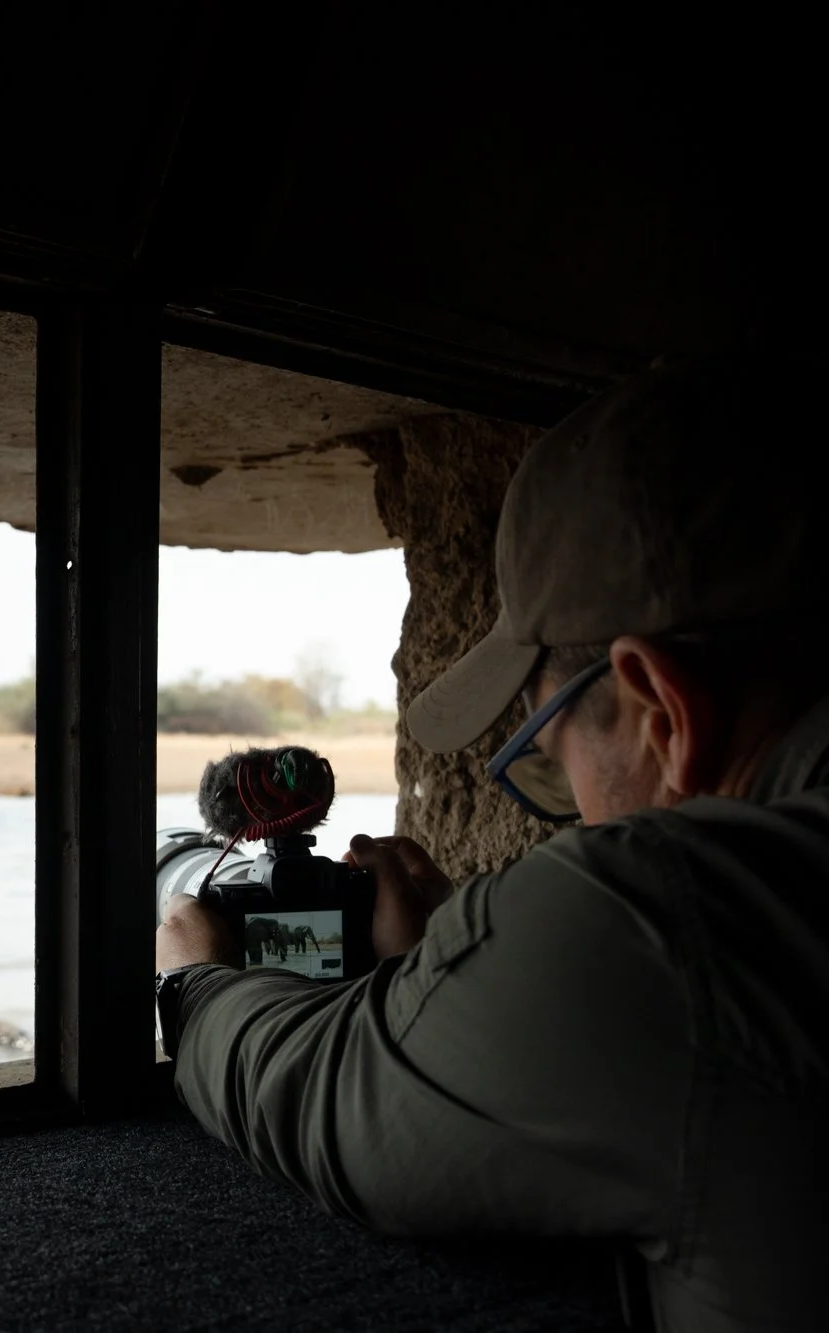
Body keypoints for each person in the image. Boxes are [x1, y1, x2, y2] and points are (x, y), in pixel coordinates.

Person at [152, 353, 827, 1333]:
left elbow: (325, 1093)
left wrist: (197, 983)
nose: (579, 816)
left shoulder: (671, 913)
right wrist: (445, 963)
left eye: (548, 759)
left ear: (660, 710)